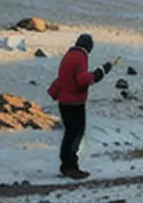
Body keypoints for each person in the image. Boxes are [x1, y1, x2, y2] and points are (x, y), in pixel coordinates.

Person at [48, 33, 115, 179]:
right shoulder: (80, 57)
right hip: (74, 103)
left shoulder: (70, 55)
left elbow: (65, 77)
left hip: (64, 101)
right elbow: (82, 80)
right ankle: (71, 166)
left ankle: (66, 165)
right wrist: (99, 73)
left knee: (69, 133)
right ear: (89, 47)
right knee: (75, 134)